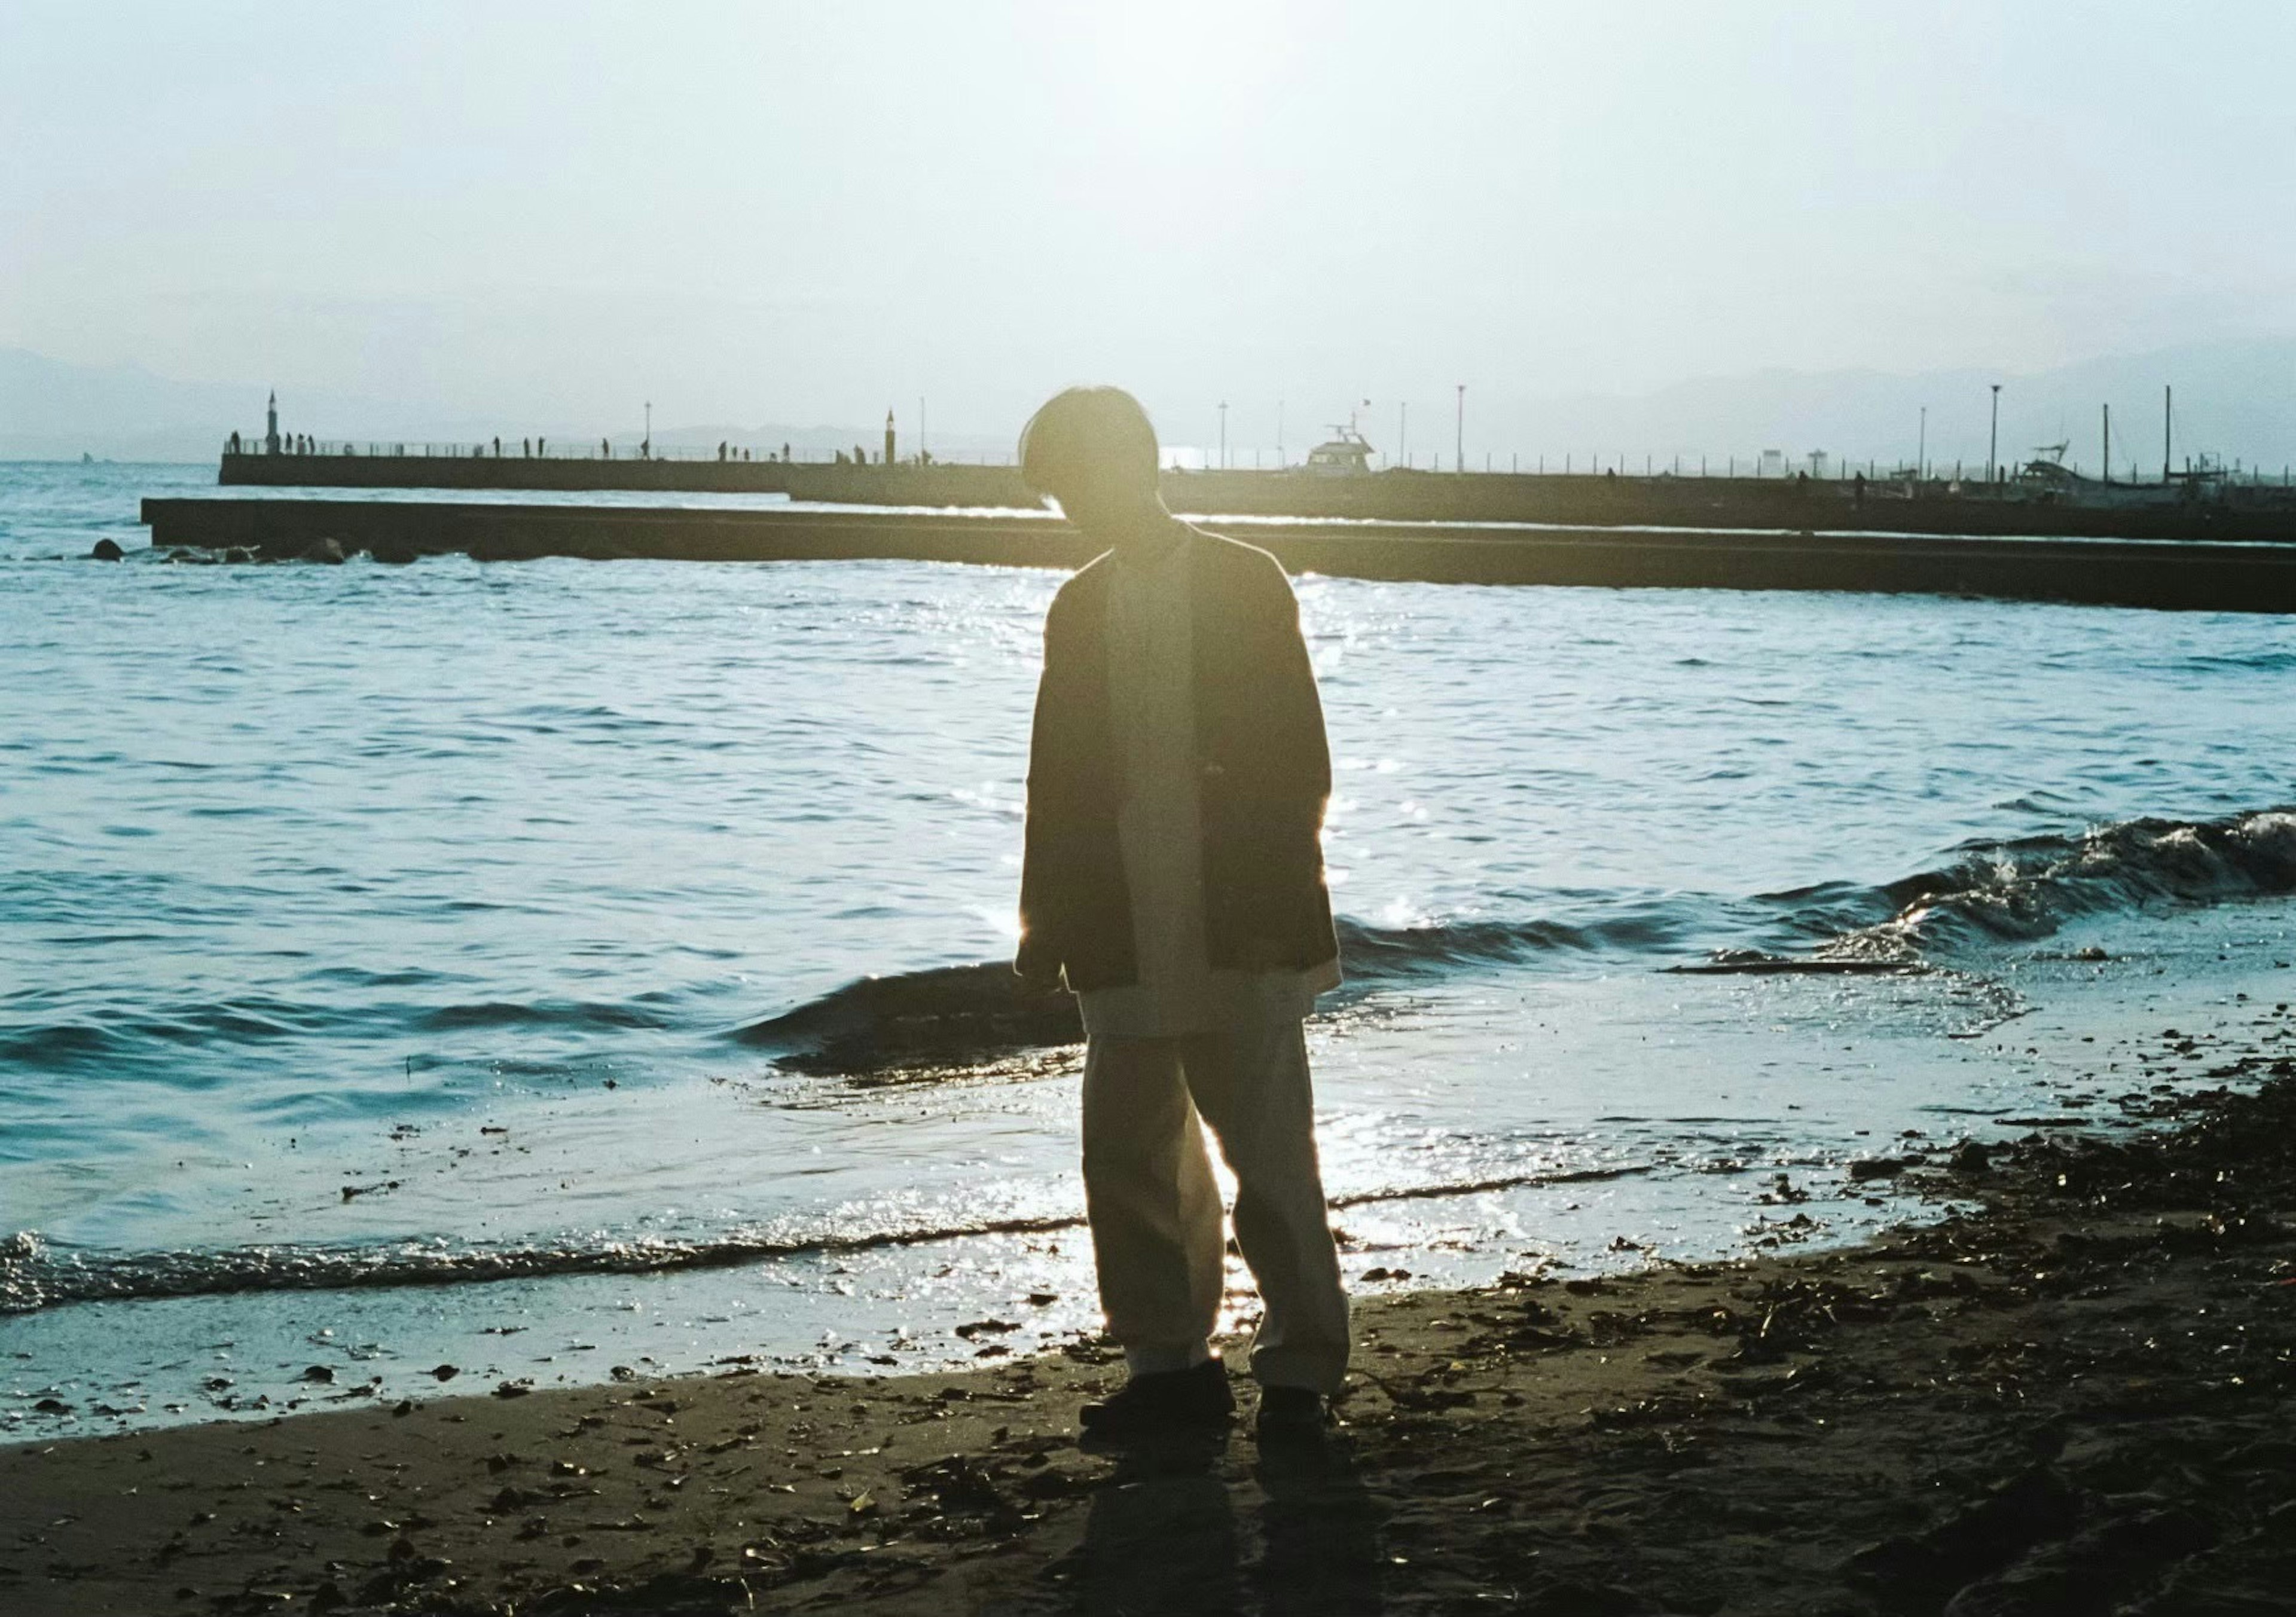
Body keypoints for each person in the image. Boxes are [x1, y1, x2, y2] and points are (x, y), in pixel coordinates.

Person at [1013, 386, 1349, 1442]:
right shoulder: (1079, 603)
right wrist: (1045, 922)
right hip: (1120, 920)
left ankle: (1300, 1372)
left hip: (1237, 914)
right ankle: (1171, 1365)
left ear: (1130, 466)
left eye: (1074, 482)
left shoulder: (1246, 583)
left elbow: (1298, 765)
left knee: (1269, 1158)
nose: (1068, 506)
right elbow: (1054, 781)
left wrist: (1275, 905)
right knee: (1129, 1157)